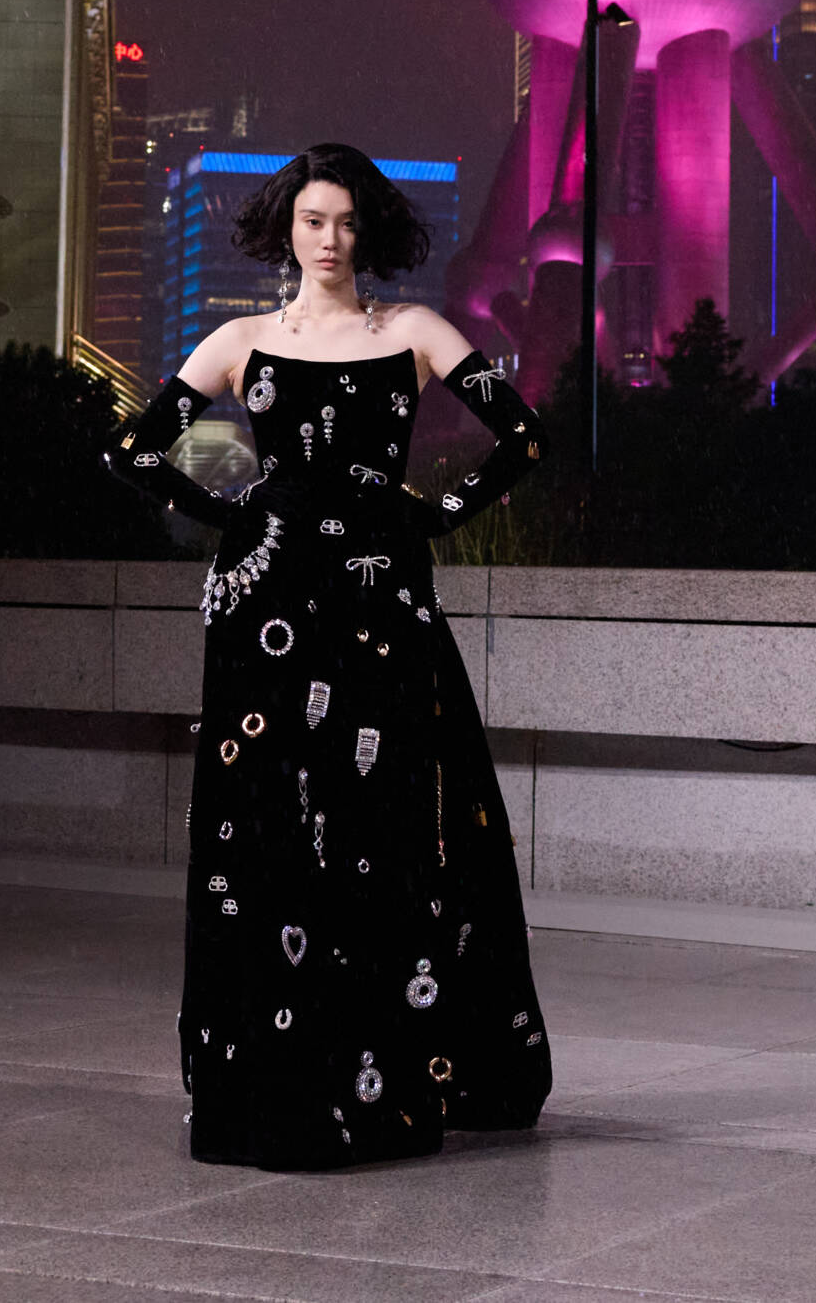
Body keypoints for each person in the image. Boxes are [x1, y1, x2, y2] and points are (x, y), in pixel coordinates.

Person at [103, 143, 551, 1169]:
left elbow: (523, 438)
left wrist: (435, 515)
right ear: (286, 228)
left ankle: (381, 1077)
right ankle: (278, 1078)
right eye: (314, 220)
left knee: (384, 821)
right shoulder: (242, 341)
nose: (331, 239)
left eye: (347, 222)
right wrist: (234, 517)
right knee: (270, 834)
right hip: (268, 609)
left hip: (382, 603)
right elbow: (130, 449)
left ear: (369, 229)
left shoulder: (414, 332)